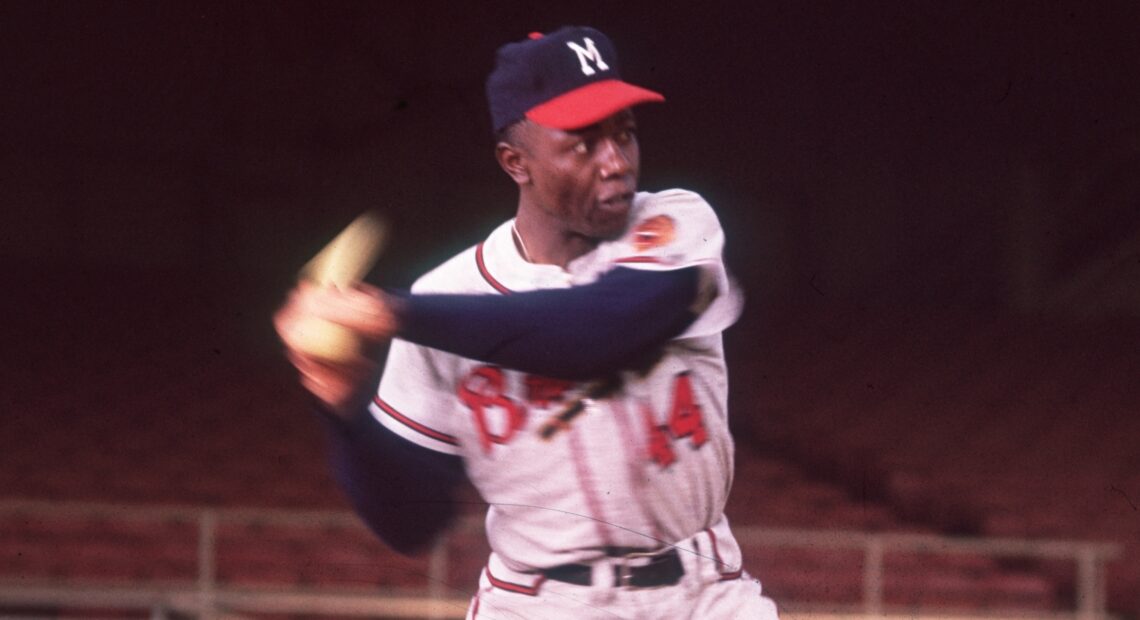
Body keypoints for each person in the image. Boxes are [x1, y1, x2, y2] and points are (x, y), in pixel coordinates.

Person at [274, 25, 779, 619]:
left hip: (702, 592)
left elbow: (595, 334)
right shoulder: (448, 297)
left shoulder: (675, 226)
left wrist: (393, 314)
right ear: (517, 163)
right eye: (583, 143)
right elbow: (412, 523)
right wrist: (344, 406)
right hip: (540, 604)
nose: (616, 162)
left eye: (625, 134)